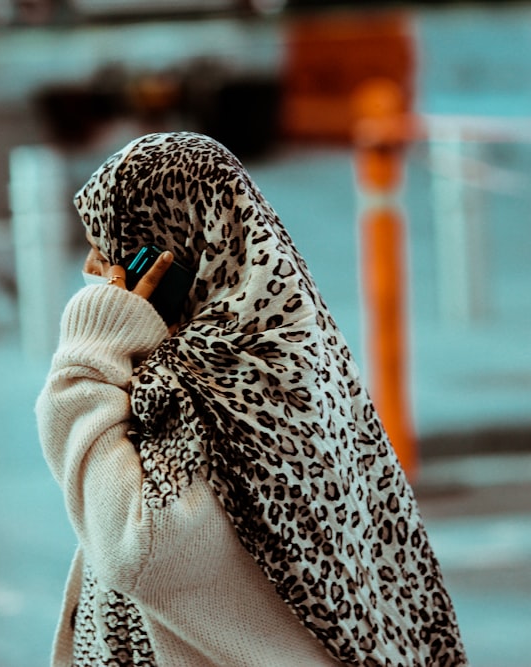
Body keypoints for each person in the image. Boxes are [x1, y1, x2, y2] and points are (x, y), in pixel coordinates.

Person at [35, 132, 467, 666]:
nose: (94, 269)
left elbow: (137, 550)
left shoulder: (203, 380)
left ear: (169, 262)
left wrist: (86, 354)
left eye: (109, 246)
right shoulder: (293, 344)